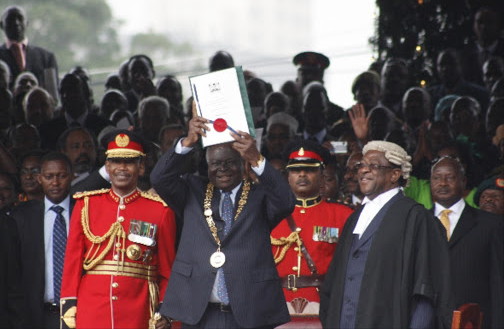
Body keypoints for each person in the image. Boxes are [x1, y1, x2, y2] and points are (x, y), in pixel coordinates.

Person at [150, 105, 295, 328]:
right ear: (207, 166)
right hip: (200, 312)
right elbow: (159, 178)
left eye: (230, 162)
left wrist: (257, 158)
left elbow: (286, 202)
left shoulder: (259, 197)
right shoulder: (192, 191)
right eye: (216, 163)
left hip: (249, 312)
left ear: (242, 164)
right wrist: (188, 142)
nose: (223, 169)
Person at [319, 141, 452, 329]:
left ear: (395, 174)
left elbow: (426, 291)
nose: (363, 170)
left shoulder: (417, 218)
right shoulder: (354, 217)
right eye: (361, 165)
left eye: (373, 165)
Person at [60, 130, 176, 329]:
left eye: (129, 162)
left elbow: (167, 270)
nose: (122, 168)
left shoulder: (160, 210)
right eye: (116, 162)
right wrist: (69, 310)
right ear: (107, 166)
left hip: (138, 312)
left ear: (141, 168)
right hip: (92, 311)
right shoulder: (86, 205)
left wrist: (164, 309)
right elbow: (72, 264)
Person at [271, 140, 352, 319]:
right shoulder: (271, 215)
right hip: (277, 306)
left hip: (324, 305)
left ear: (322, 175)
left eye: (309, 169)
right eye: (295, 170)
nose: (302, 174)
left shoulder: (343, 215)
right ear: (287, 176)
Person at [430, 156, 503, 329]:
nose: (443, 183)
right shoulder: (419, 223)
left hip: (474, 321)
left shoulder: (491, 225)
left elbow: (499, 284)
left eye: (450, 177)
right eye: (437, 178)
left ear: (463, 182)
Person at [10, 152, 74, 329]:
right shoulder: (22, 216)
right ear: (39, 178)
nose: (55, 182)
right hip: (37, 315)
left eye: (61, 176)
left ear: (72, 176)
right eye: (49, 176)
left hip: (80, 312)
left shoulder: (85, 211)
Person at [38, 73, 111, 149]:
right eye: (62, 92)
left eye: (72, 90)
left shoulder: (104, 128)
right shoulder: (47, 131)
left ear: (86, 93)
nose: (66, 95)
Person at [0, 6, 58, 90]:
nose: (16, 23)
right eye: (10, 19)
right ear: (1, 25)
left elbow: (53, 94)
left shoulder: (46, 57)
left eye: (20, 18)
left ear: (27, 23)